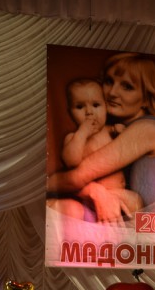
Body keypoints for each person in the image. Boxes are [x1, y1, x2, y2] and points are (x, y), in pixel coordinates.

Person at [47, 53, 155, 220]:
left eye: (127, 87)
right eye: (109, 81)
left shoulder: (148, 129)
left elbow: (71, 180)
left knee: (57, 207)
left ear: (146, 98)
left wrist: (94, 191)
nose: (112, 92)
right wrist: (96, 192)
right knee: (65, 209)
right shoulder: (114, 131)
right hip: (143, 226)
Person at [47, 77, 142, 224]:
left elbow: (133, 147)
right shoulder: (73, 138)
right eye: (80, 107)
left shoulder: (111, 131)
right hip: (87, 200)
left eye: (96, 105)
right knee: (71, 210)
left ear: (106, 107)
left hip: (117, 196)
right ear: (70, 112)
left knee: (135, 201)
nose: (89, 113)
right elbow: (71, 161)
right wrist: (82, 133)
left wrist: (121, 132)